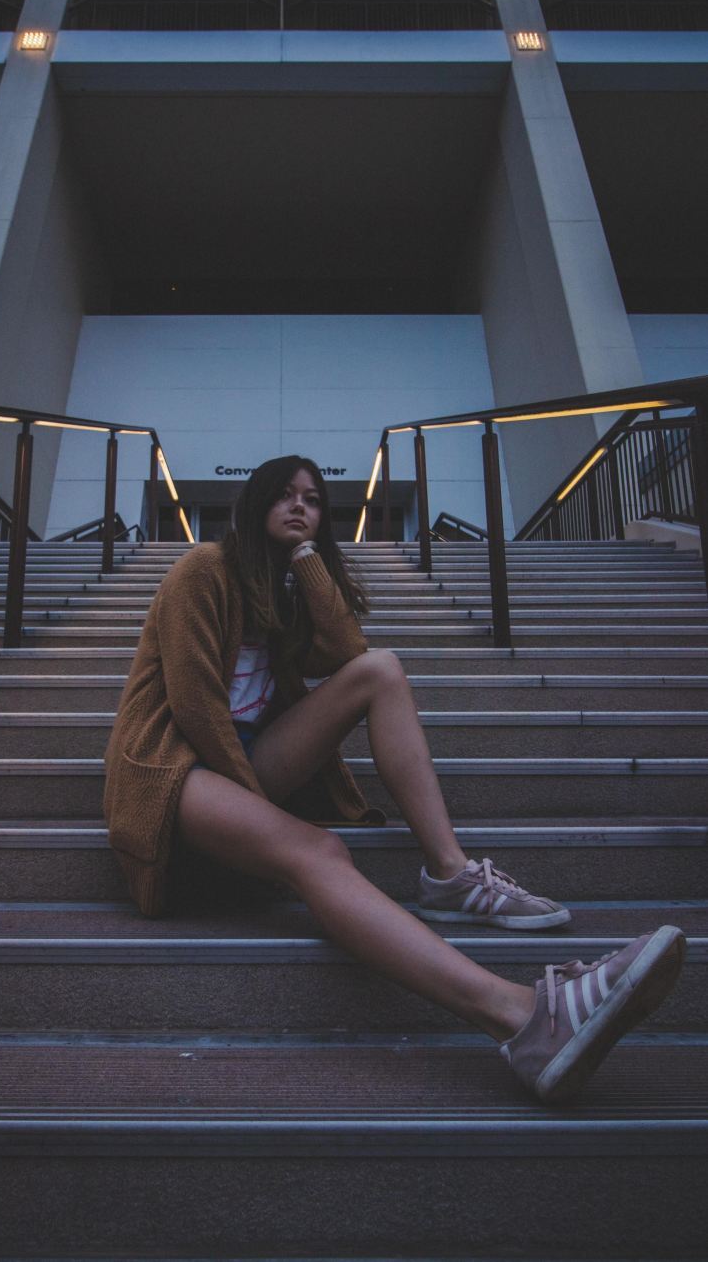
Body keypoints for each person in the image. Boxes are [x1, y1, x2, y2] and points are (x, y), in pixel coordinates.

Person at [104, 454, 685, 1101]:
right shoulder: (202, 570)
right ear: (255, 501)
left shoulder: (286, 593)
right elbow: (195, 708)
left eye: (315, 500)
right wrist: (270, 824)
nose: (301, 506)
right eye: (285, 495)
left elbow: (350, 653)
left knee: (382, 669)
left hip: (245, 765)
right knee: (320, 850)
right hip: (173, 770)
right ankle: (525, 1016)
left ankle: (449, 871)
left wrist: (306, 559)